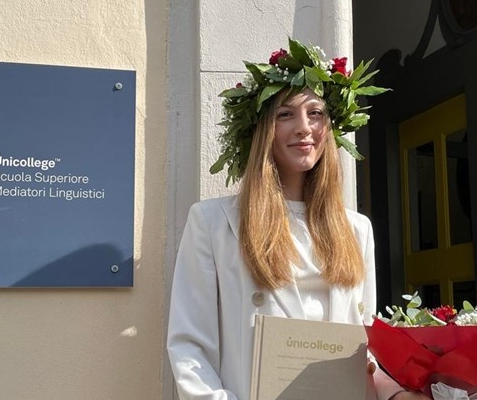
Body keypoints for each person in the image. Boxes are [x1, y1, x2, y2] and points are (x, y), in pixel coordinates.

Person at [166, 38, 429, 400]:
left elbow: (360, 350)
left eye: (316, 113)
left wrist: (397, 395)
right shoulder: (213, 223)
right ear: (263, 130)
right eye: (285, 114)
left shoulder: (357, 230)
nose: (304, 127)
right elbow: (189, 348)